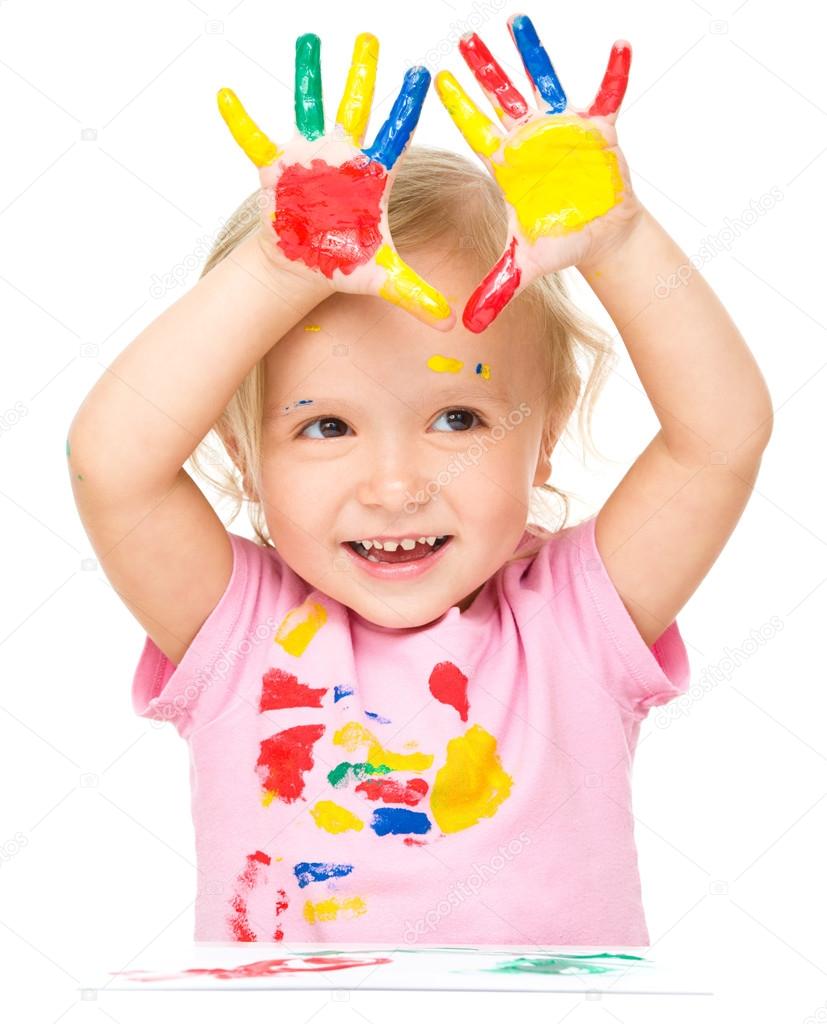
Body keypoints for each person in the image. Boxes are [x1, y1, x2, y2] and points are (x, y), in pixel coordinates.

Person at [68, 20, 772, 945]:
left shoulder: (570, 622)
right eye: (325, 426)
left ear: (543, 436)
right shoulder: (237, 629)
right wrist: (279, 269)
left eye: (458, 420)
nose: (394, 486)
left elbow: (721, 437)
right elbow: (108, 464)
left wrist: (617, 240)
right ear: (242, 457)